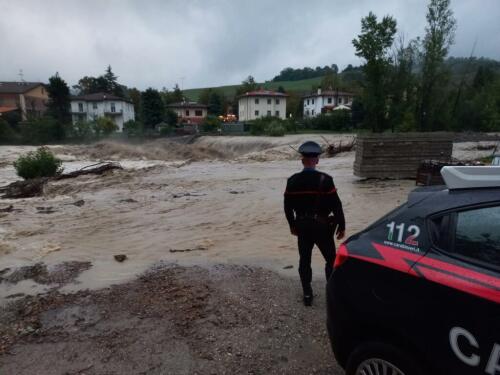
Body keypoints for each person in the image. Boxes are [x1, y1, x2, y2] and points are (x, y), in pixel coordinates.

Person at [284, 141, 346, 306]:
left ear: (302, 160)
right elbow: (336, 205)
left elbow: (287, 208)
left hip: (302, 227)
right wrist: (342, 225)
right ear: (317, 160)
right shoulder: (325, 180)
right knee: (331, 259)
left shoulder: (292, 181)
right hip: (322, 226)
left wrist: (292, 225)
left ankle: (307, 294)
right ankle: (331, 292)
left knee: (305, 259)